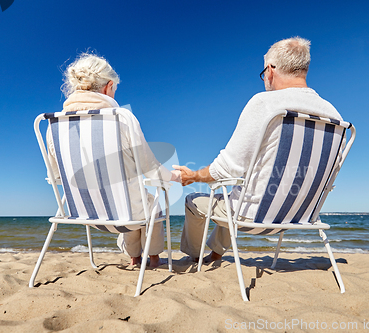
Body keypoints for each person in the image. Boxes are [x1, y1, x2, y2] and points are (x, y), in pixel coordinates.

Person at [173, 37, 343, 262]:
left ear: (271, 70)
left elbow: (226, 169)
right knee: (241, 188)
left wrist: (193, 175)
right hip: (299, 215)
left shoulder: (265, 103)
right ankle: (215, 253)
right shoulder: (334, 115)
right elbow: (332, 170)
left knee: (195, 201)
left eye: (263, 73)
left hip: (254, 216)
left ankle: (193, 257)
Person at [47, 52, 180, 268]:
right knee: (149, 201)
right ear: (108, 86)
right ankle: (153, 257)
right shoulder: (120, 118)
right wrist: (174, 176)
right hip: (123, 213)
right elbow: (150, 168)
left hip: (84, 213)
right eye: (115, 90)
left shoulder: (54, 126)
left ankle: (134, 257)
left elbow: (56, 176)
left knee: (131, 194)